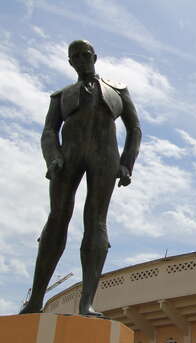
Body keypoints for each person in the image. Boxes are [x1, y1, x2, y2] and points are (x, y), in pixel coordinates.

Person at [20, 40, 141, 316]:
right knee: (56, 218)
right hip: (68, 159)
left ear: (95, 57)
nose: (82, 59)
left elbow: (134, 129)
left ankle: (87, 301)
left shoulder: (118, 91)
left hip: (104, 159)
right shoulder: (61, 96)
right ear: (70, 62)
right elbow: (49, 131)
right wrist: (53, 158)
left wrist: (127, 164)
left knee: (96, 221)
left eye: (86, 55)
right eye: (76, 56)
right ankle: (36, 299)